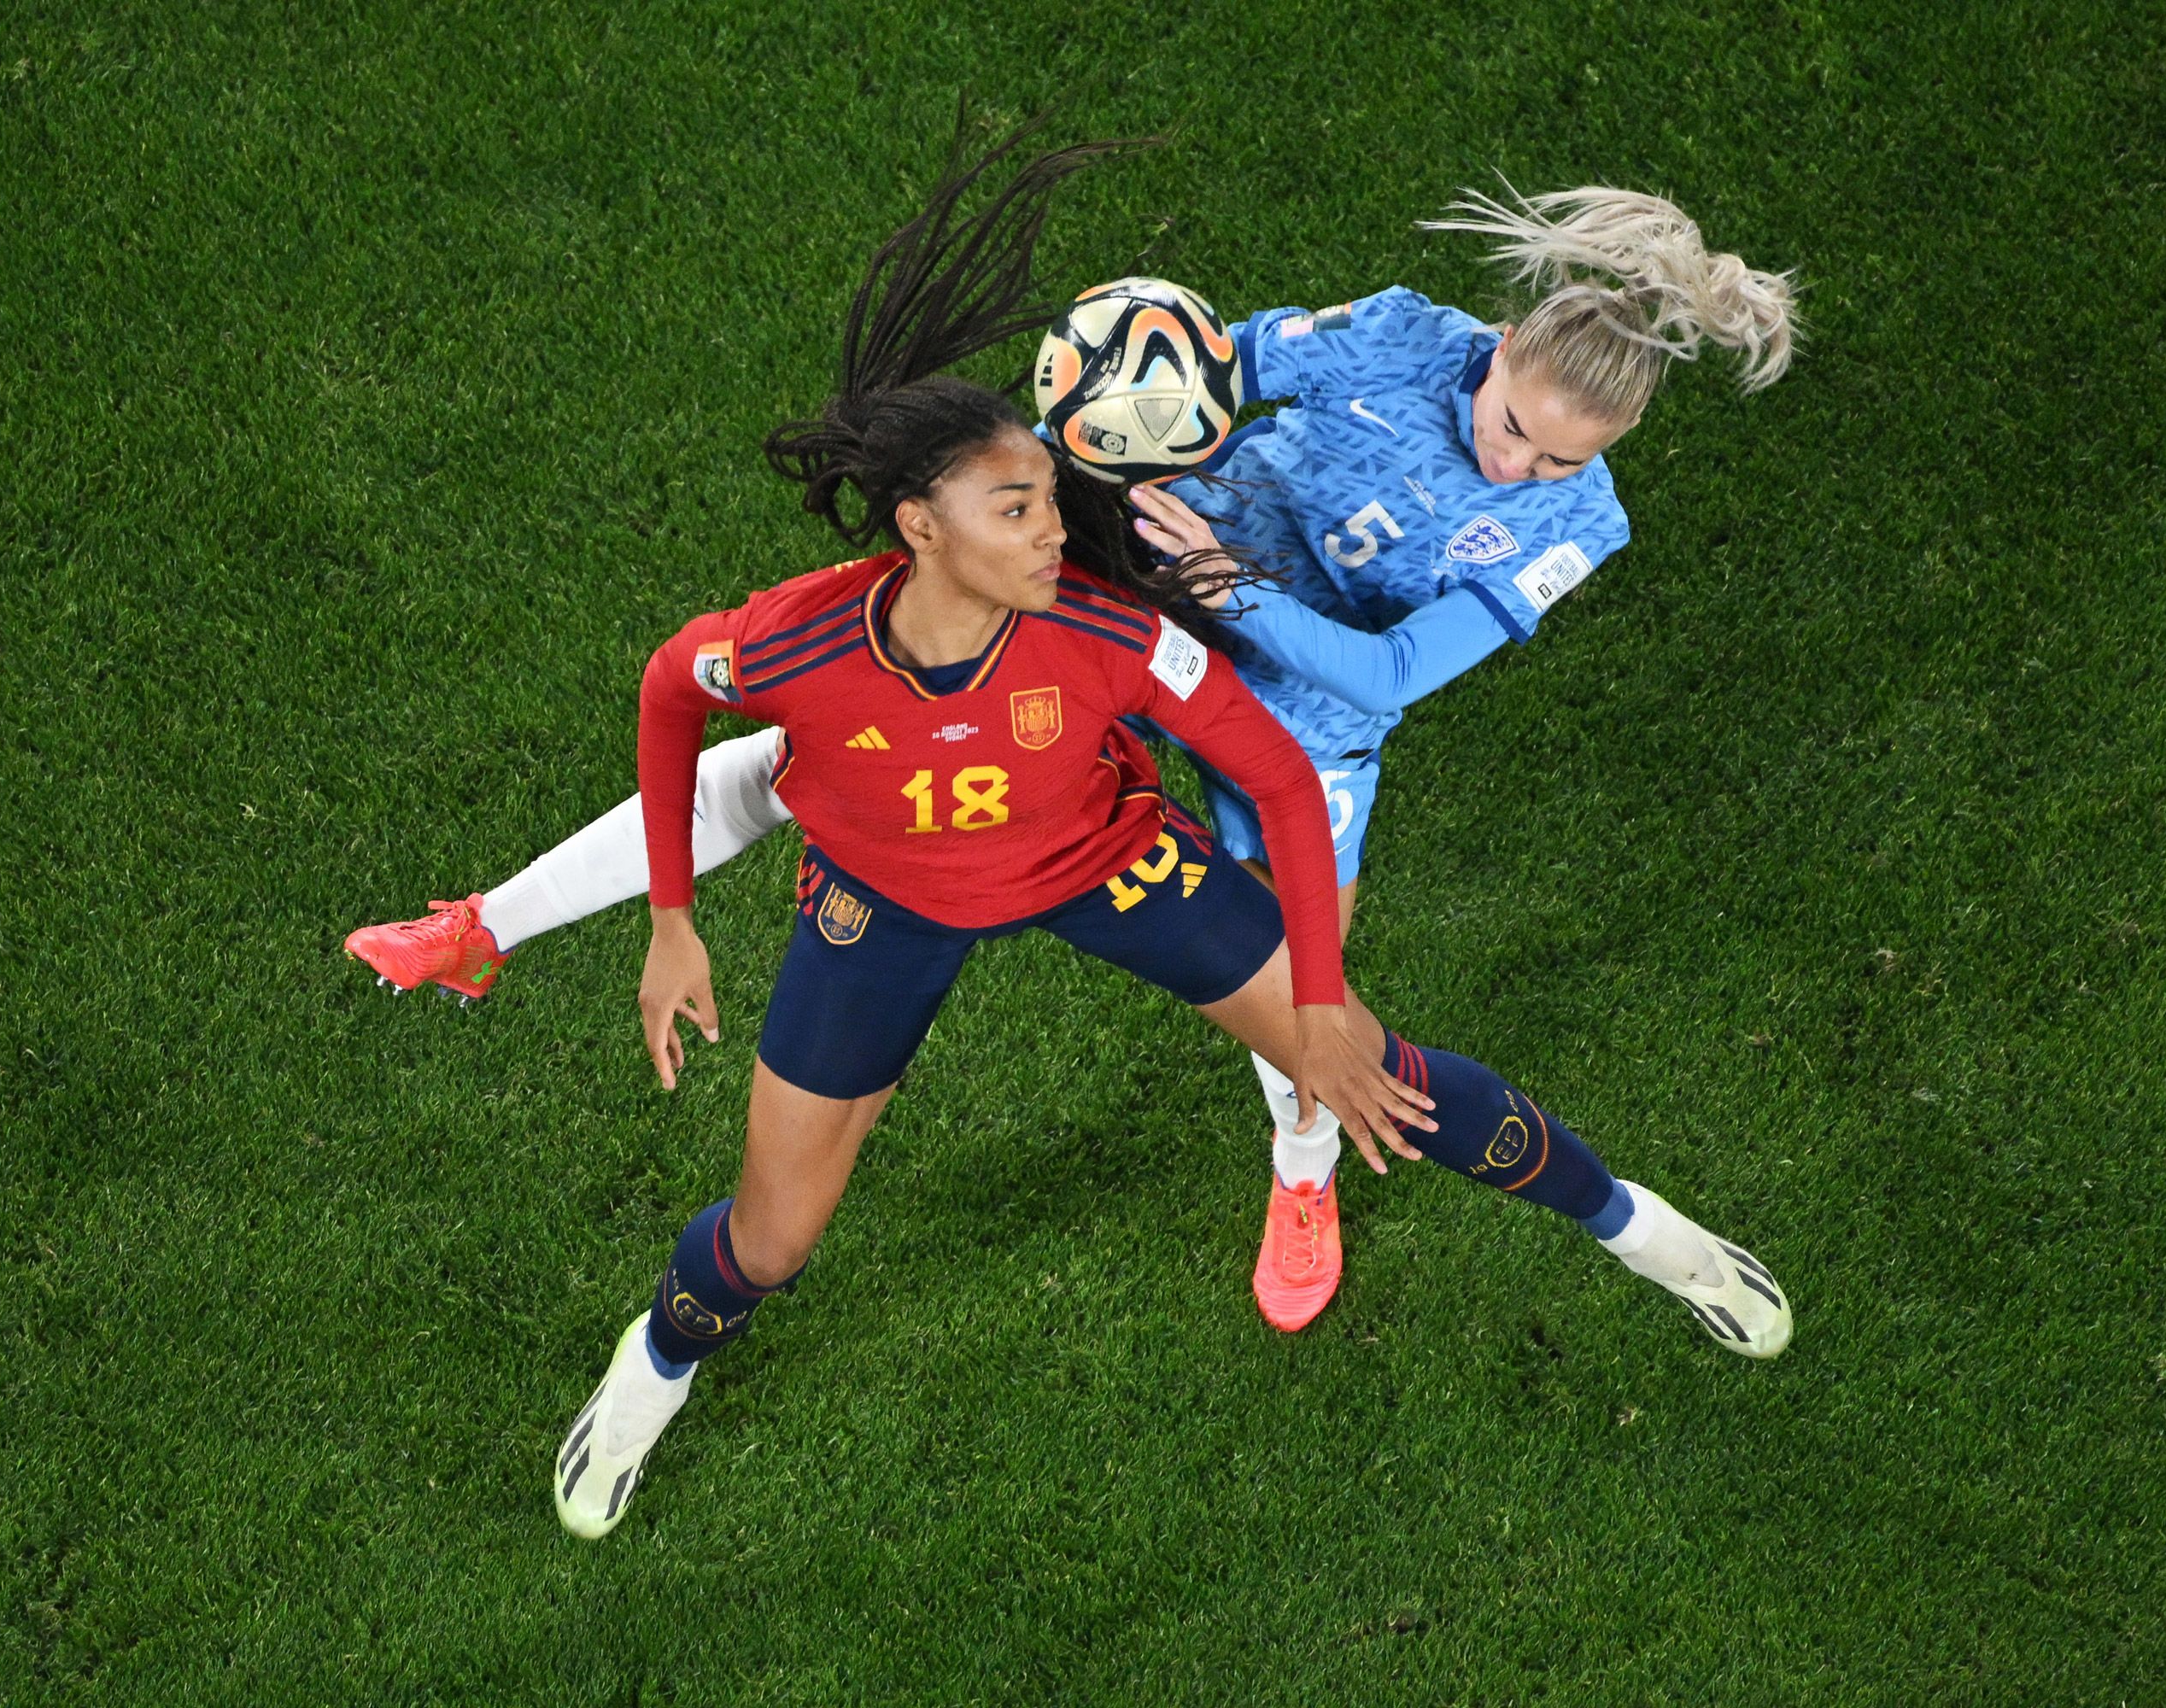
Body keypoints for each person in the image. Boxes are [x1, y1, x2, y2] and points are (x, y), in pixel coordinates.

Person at [542, 128, 1791, 1541]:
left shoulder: (1560, 527)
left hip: (1261, 708)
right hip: (1100, 680)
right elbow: (1200, 374)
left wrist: (1218, 600)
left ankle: (1627, 1228)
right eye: (1515, 428)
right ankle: (655, 1362)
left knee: (1349, 1061)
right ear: (1496, 347)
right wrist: (1132, 436)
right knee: (770, 1236)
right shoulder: (1371, 352)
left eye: (1561, 461)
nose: (1518, 473)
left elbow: (1372, 683)